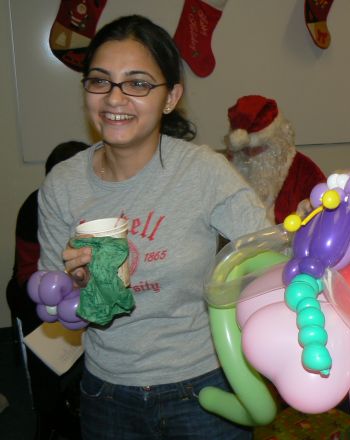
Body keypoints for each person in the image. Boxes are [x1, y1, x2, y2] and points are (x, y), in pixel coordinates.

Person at [37, 15, 270, 440]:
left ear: (170, 97)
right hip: (108, 391)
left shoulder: (201, 171)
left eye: (138, 83)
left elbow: (266, 251)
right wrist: (78, 285)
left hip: (201, 385)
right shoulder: (63, 185)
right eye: (100, 81)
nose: (115, 98)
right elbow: (55, 301)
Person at [6, 140, 89, 440]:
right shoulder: (35, 206)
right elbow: (29, 272)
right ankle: (50, 413)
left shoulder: (99, 205)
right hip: (35, 287)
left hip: (80, 285)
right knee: (45, 325)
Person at [224, 95, 326, 224]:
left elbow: (326, 217)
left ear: (276, 141)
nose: (250, 155)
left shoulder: (305, 172)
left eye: (257, 148)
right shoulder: (224, 169)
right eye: (243, 149)